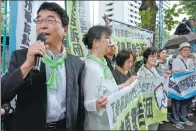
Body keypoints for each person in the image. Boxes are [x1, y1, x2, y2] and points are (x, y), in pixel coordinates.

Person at [1, 2, 85, 131]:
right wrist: (27, 65)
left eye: (50, 20)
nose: (43, 26)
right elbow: (3, 93)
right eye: (39, 21)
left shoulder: (76, 64)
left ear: (65, 30)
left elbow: (78, 105)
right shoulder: (21, 57)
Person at [82, 25, 121, 130]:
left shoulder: (102, 63)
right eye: (107, 37)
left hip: (108, 122)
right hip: (98, 125)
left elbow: (107, 89)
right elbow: (88, 103)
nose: (110, 41)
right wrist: (97, 104)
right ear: (96, 42)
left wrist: (123, 87)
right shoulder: (91, 67)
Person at [170, 42, 194, 129]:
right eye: (185, 50)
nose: (187, 52)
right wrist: (187, 72)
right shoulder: (176, 60)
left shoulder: (190, 60)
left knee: (185, 102)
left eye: (188, 50)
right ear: (180, 51)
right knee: (177, 103)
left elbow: (192, 71)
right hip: (177, 85)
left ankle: (183, 117)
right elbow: (175, 73)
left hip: (187, 86)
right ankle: (175, 119)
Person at [137, 47, 160, 130]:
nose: (155, 59)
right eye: (152, 56)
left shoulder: (154, 68)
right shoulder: (141, 72)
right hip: (147, 103)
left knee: (155, 123)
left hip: (156, 102)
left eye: (156, 57)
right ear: (146, 57)